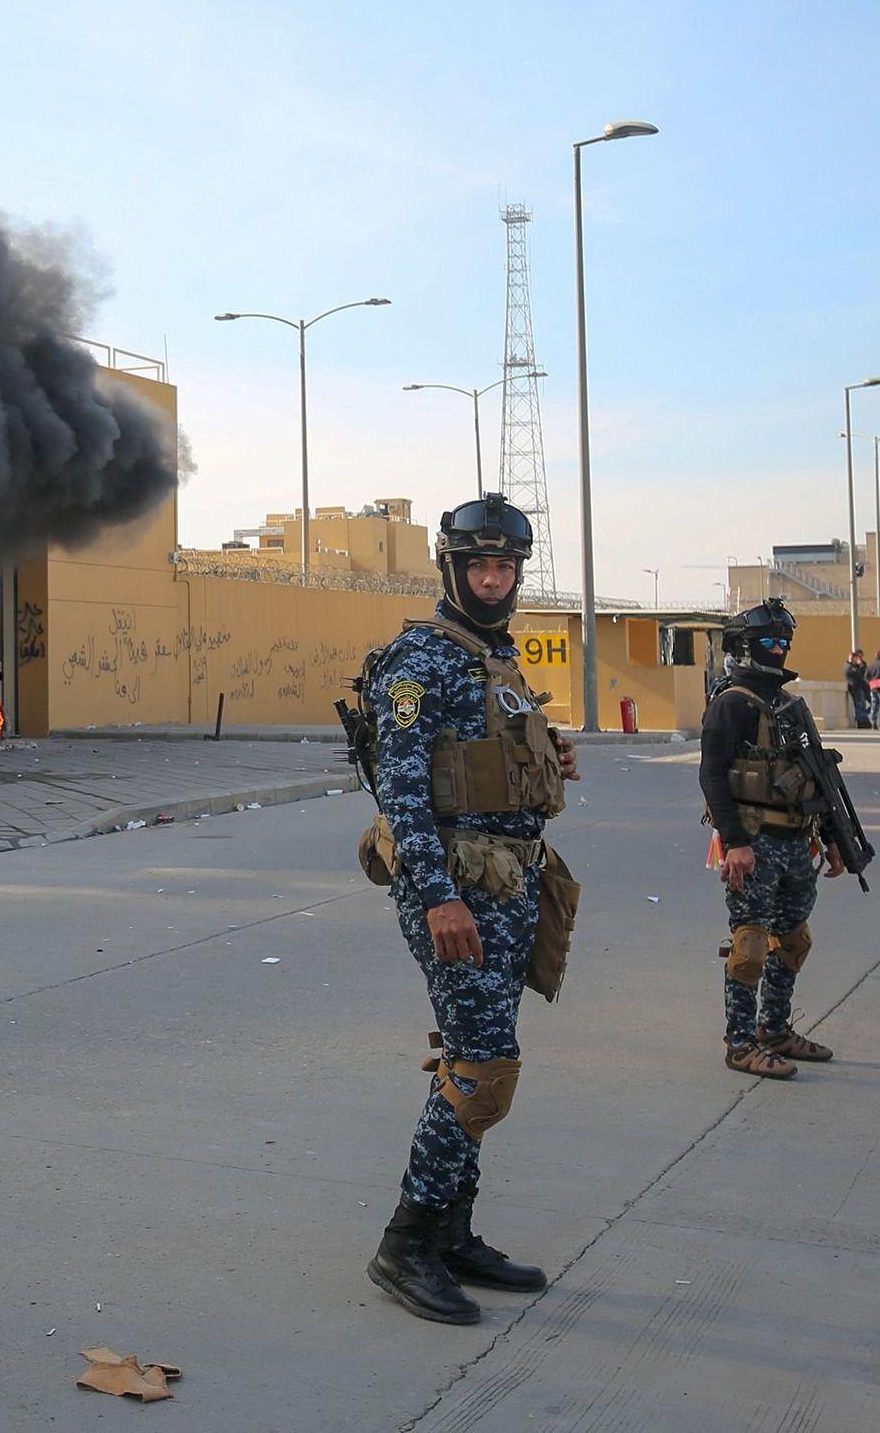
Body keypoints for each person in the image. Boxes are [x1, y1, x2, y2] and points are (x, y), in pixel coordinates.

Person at [355, 494, 579, 1326]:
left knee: (476, 1059)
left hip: (511, 880)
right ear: (452, 569)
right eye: (479, 565)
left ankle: (452, 1231)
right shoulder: (423, 658)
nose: (493, 578)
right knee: (483, 1066)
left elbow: (492, 753)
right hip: (458, 889)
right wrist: (440, 897)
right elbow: (405, 792)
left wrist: (548, 760)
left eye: (506, 566)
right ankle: (406, 1245)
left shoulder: (497, 656)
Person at [699, 600, 839, 1080]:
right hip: (755, 845)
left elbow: (821, 777)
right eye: (768, 643)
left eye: (784, 642)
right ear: (743, 647)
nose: (778, 650)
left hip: (799, 840)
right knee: (750, 945)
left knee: (793, 940)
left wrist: (835, 839)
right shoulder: (731, 704)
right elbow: (713, 777)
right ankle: (740, 1044)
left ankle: (774, 1030)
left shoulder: (790, 706)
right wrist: (734, 841)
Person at [843, 650, 872, 729]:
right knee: (860, 705)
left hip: (863, 688)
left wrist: (862, 665)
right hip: (856, 688)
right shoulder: (848, 666)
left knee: (870, 704)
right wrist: (860, 666)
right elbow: (857, 674)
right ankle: (862, 721)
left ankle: (864, 718)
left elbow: (865, 674)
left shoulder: (860, 665)